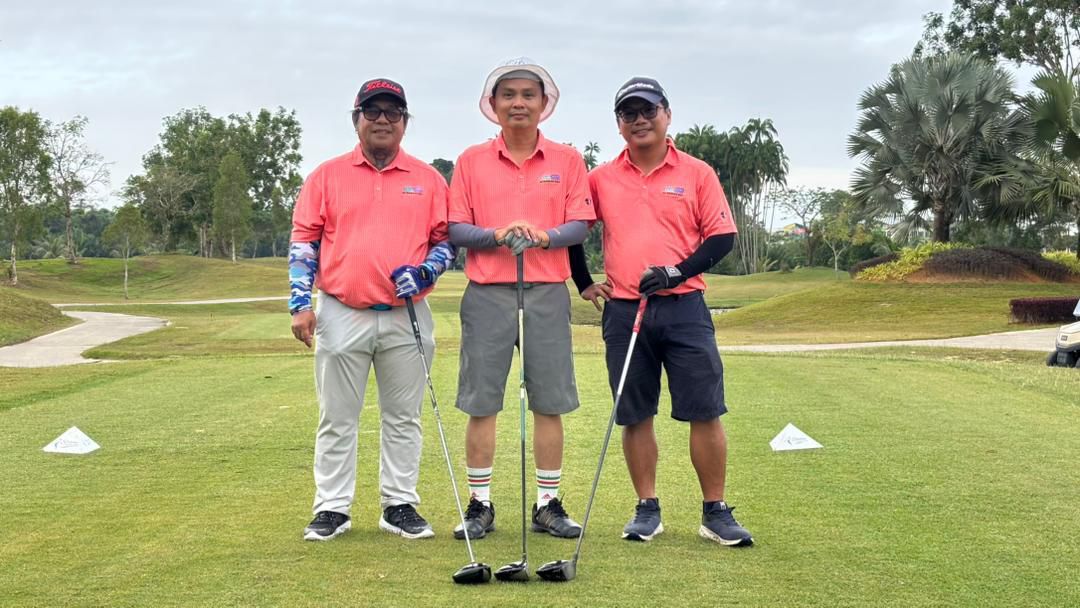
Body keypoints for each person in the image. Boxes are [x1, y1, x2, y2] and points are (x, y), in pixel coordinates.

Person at [568, 77, 753, 546]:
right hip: (625, 312)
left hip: (685, 308)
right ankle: (646, 508)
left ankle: (715, 511)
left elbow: (721, 237)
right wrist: (584, 281)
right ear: (618, 124)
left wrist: (676, 272)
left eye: (648, 110)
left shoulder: (697, 172)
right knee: (635, 414)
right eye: (628, 114)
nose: (639, 120)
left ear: (666, 114)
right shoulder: (600, 178)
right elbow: (576, 230)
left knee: (705, 410)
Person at [289, 78, 455, 542]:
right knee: (337, 417)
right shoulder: (326, 176)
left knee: (403, 416)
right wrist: (300, 303)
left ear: (405, 121)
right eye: (373, 111)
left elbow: (445, 244)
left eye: (393, 112)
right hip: (342, 309)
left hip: (407, 313)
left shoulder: (428, 179)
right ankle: (332, 507)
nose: (383, 119)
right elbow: (304, 243)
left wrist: (426, 271)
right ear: (356, 118)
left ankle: (398, 504)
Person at [447, 57, 595, 540]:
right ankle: (479, 504)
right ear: (493, 104)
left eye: (528, 94)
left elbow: (580, 224)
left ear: (543, 103)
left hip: (547, 291)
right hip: (487, 292)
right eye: (508, 94)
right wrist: (496, 234)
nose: (518, 103)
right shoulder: (471, 161)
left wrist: (545, 236)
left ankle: (547, 504)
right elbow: (456, 228)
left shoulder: (567, 161)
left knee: (549, 402)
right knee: (482, 402)